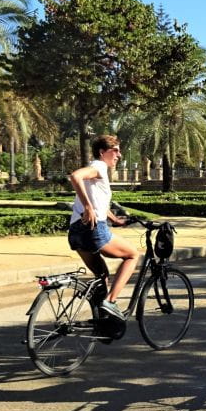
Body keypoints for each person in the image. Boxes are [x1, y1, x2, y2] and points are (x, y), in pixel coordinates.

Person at [68, 135, 141, 320]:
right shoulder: (99, 166)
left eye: (119, 151)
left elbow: (99, 203)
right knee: (133, 255)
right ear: (102, 152)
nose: (119, 155)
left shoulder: (98, 170)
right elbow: (75, 176)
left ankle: (101, 320)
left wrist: (115, 219)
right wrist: (87, 207)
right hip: (93, 230)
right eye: (114, 150)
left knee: (101, 275)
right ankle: (110, 301)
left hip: (76, 232)